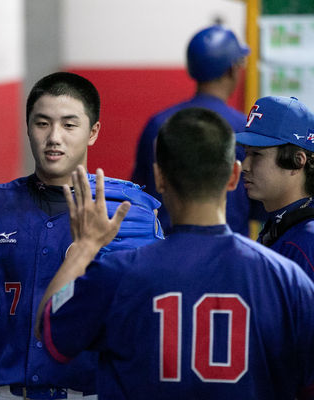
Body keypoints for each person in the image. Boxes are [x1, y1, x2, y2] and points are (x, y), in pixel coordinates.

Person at [0, 72, 162, 399]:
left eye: (69, 125)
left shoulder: (127, 212)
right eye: (42, 123)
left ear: (93, 132)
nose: (54, 137)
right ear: (27, 127)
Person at [38, 108, 314, 399]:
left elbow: (50, 330)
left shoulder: (119, 273)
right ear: (233, 176)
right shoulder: (287, 279)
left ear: (159, 178)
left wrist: (84, 247)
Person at [132, 24, 263, 236]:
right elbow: (261, 203)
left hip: (166, 251)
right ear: (231, 69)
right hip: (229, 255)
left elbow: (140, 194)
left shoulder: (158, 124)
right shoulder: (244, 128)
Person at [236, 96, 314, 281]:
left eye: (257, 154)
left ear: (297, 161)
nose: (245, 166)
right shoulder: (282, 224)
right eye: (246, 153)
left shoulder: (307, 241)